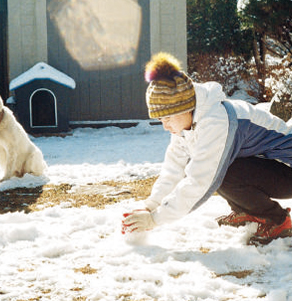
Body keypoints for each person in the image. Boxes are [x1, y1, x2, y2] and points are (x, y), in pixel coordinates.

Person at [122, 52, 292, 245]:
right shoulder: (189, 123)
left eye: (167, 118)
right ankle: (249, 212)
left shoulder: (216, 122)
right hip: (272, 167)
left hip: (286, 165)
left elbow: (199, 182)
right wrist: (151, 205)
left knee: (220, 171)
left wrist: (155, 219)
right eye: (161, 120)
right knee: (222, 167)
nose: (165, 126)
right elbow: (174, 167)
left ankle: (276, 220)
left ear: (184, 108)